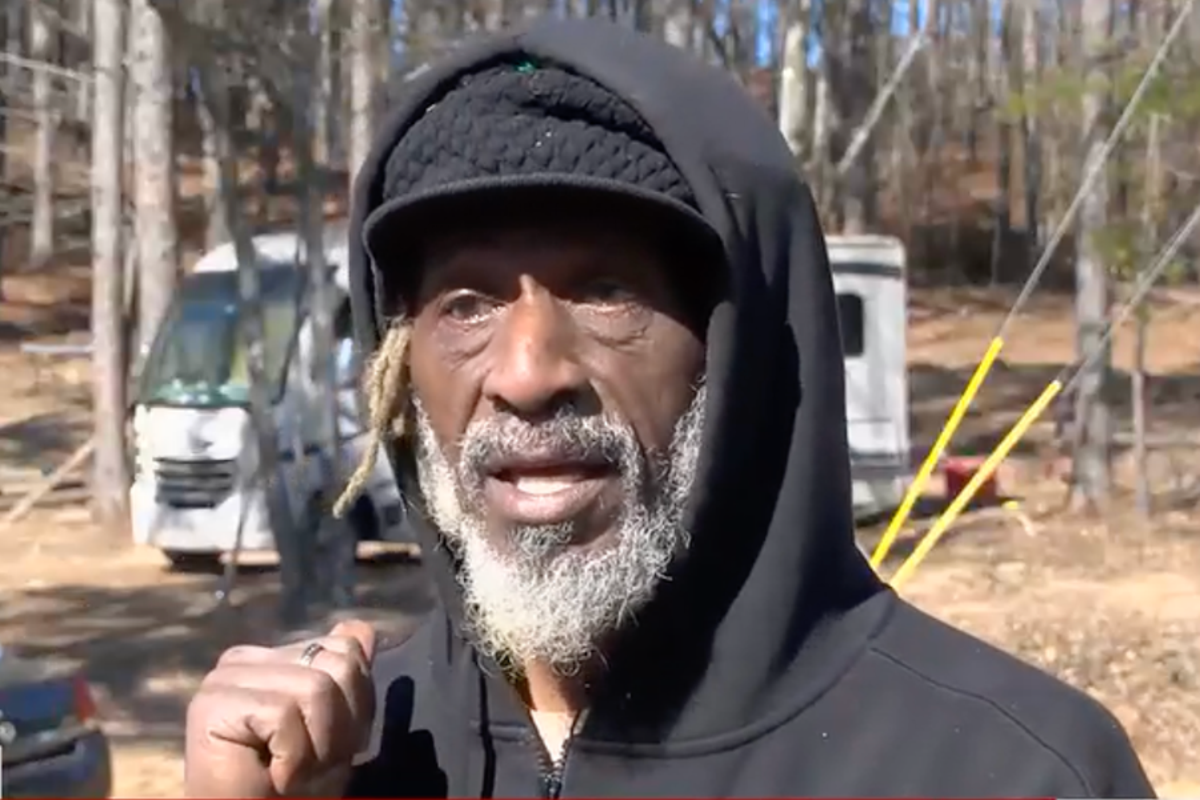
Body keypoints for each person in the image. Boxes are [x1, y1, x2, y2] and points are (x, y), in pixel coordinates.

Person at [184, 17, 1155, 799]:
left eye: (607, 292)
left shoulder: (1008, 770)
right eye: (467, 305)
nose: (527, 373)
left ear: (737, 352)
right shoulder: (352, 752)